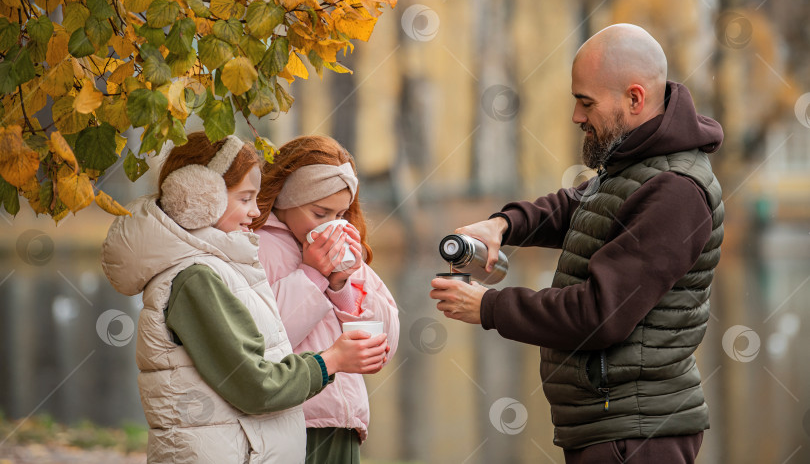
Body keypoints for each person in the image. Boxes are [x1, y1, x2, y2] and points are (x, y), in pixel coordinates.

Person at [430, 24, 724, 464]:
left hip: (635, 436)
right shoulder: (635, 164)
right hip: (610, 427)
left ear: (635, 98)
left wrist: (488, 308)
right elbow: (574, 207)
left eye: (586, 102)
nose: (576, 116)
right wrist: (502, 226)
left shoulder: (676, 192)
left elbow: (599, 314)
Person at [101, 132, 389, 464]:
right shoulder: (195, 278)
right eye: (245, 198)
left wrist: (341, 287)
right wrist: (331, 361)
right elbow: (256, 385)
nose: (255, 211)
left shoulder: (222, 266)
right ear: (198, 198)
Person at [251, 135, 400, 464]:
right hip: (289, 424)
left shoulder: (344, 249)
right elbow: (262, 343)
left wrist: (341, 284)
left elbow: (385, 340)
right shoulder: (257, 248)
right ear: (285, 199)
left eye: (341, 213)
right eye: (320, 213)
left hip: (344, 425)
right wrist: (312, 274)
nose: (332, 225)